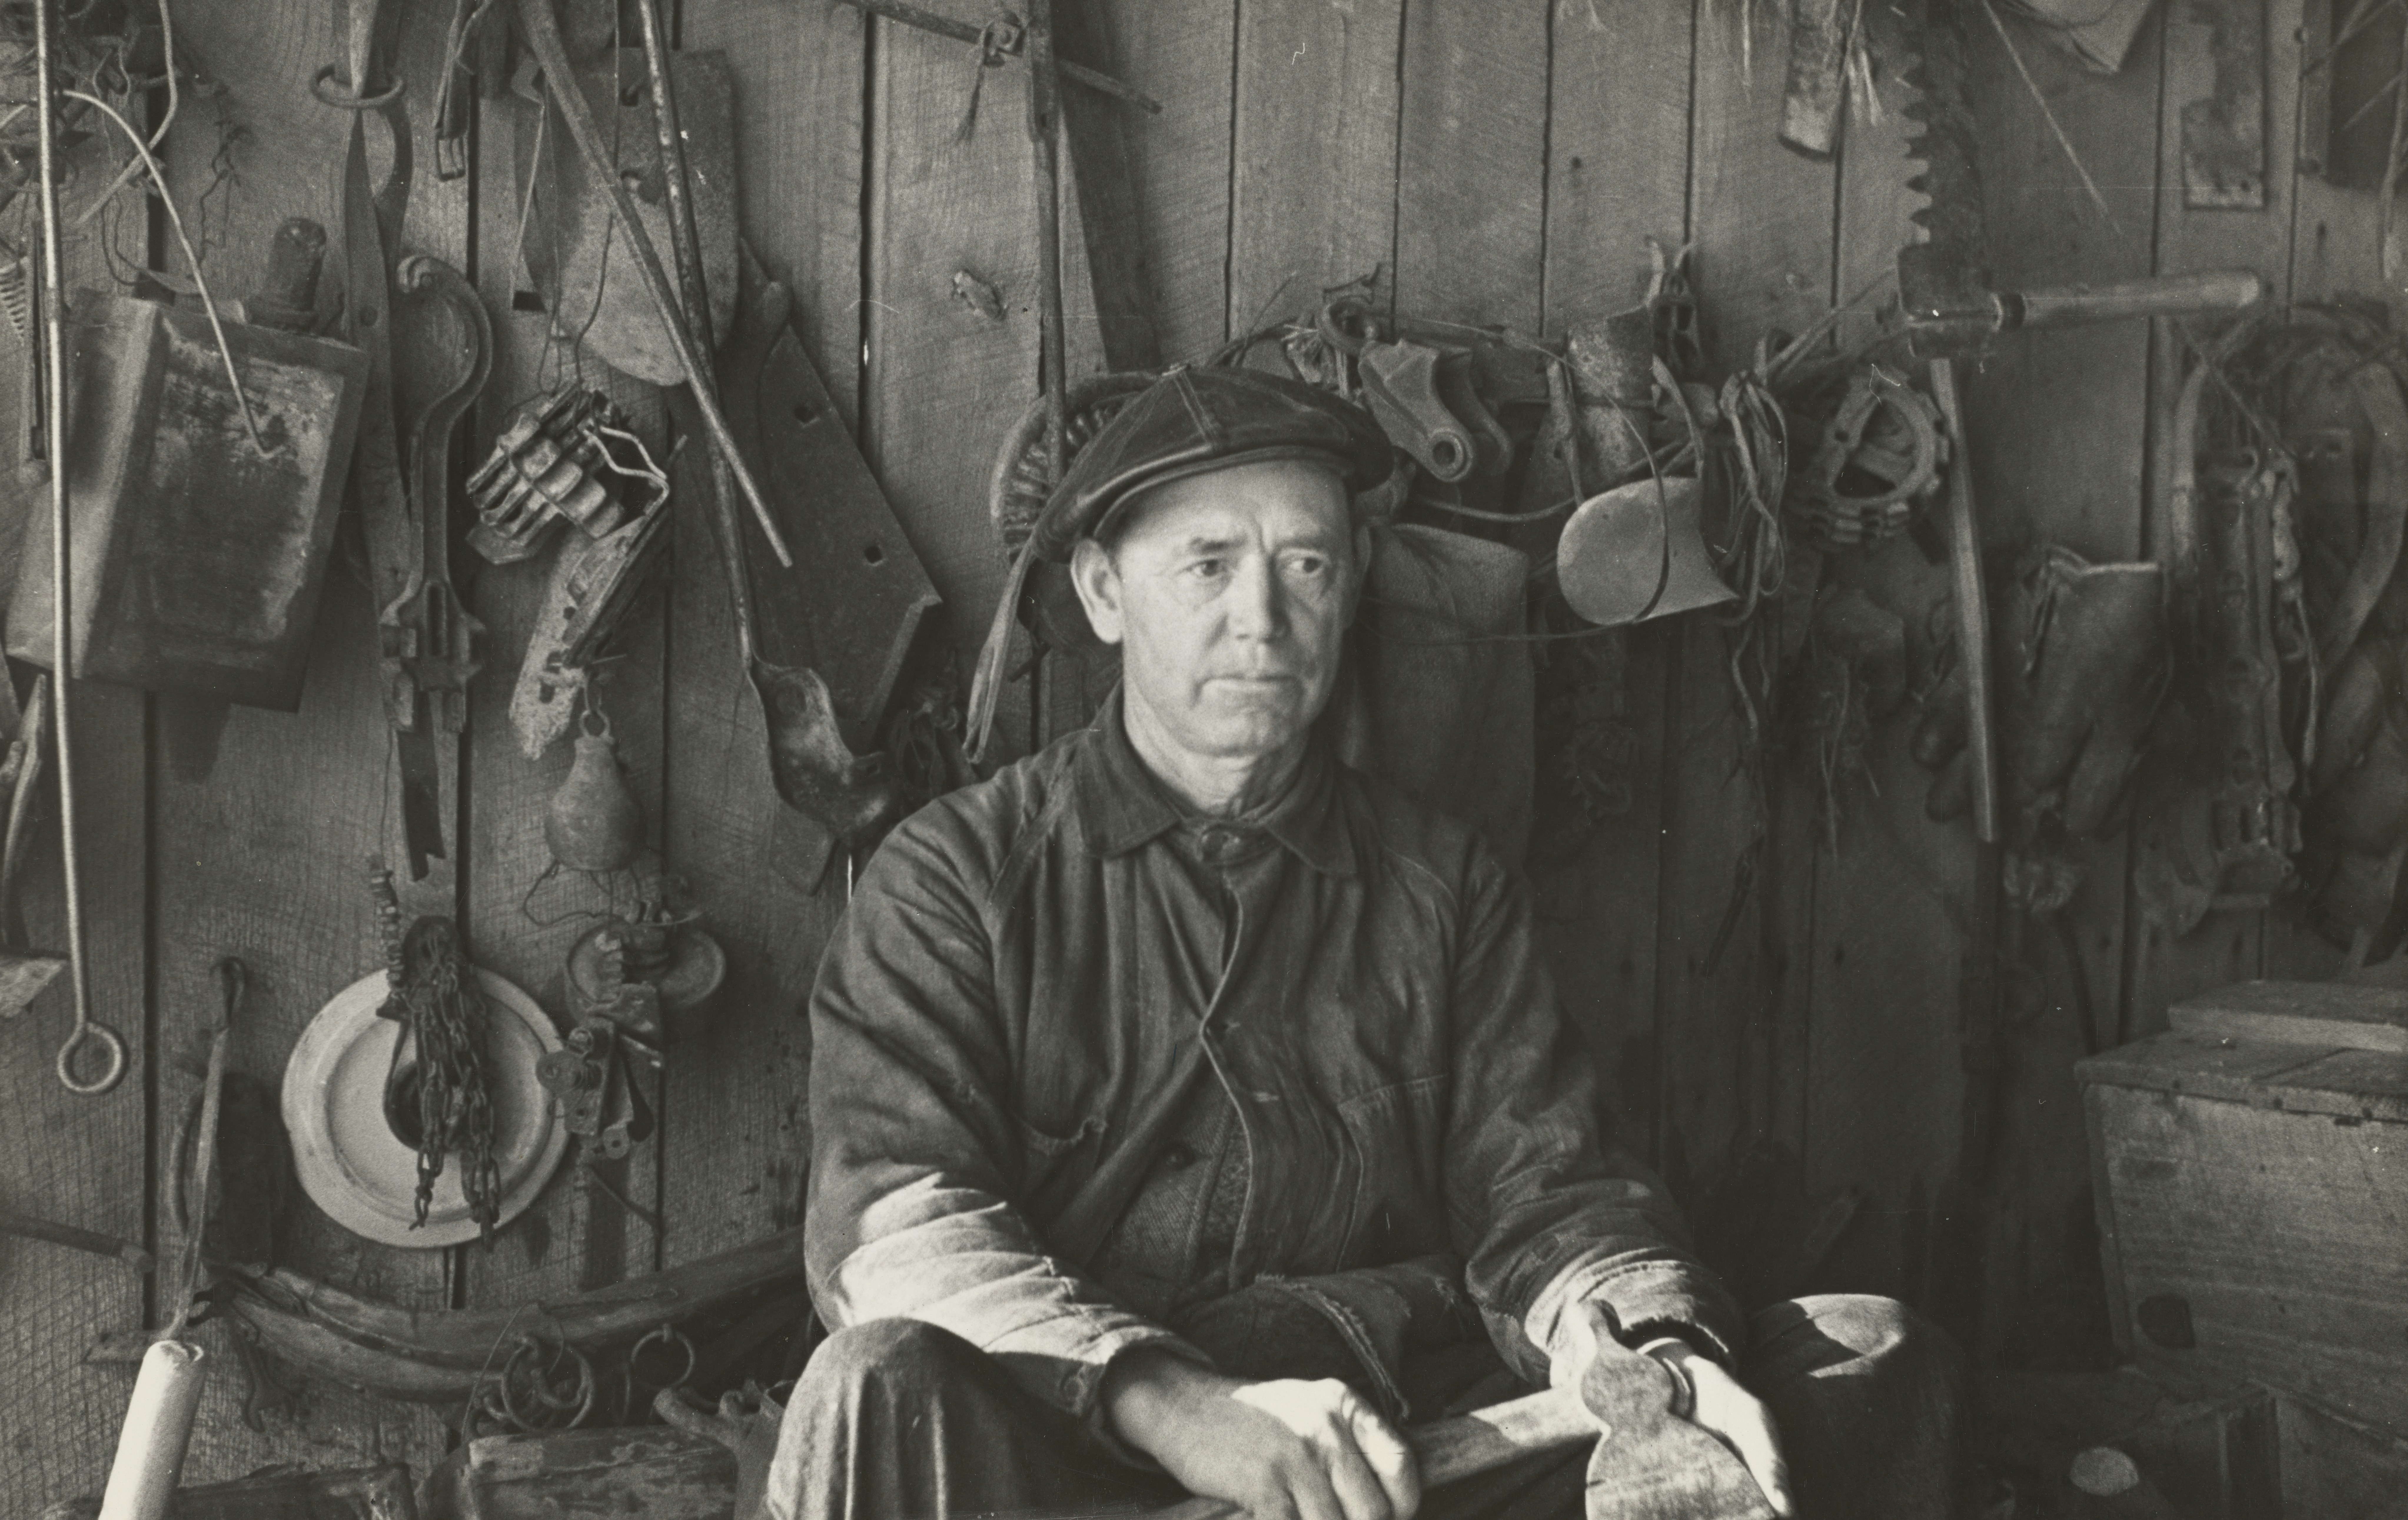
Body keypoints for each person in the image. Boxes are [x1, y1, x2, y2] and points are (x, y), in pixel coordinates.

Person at [772, 367, 1963, 1520]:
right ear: (1100, 591)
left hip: (1387, 1454)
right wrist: (1181, 1405)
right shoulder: (960, 875)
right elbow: (901, 1221)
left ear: (1349, 591)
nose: (1264, 618)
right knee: (874, 1383)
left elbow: (1550, 1197)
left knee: (1859, 1353)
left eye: (1307, 564)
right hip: (1081, 1443)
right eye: (1208, 565)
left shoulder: (1442, 884)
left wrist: (1644, 1349)